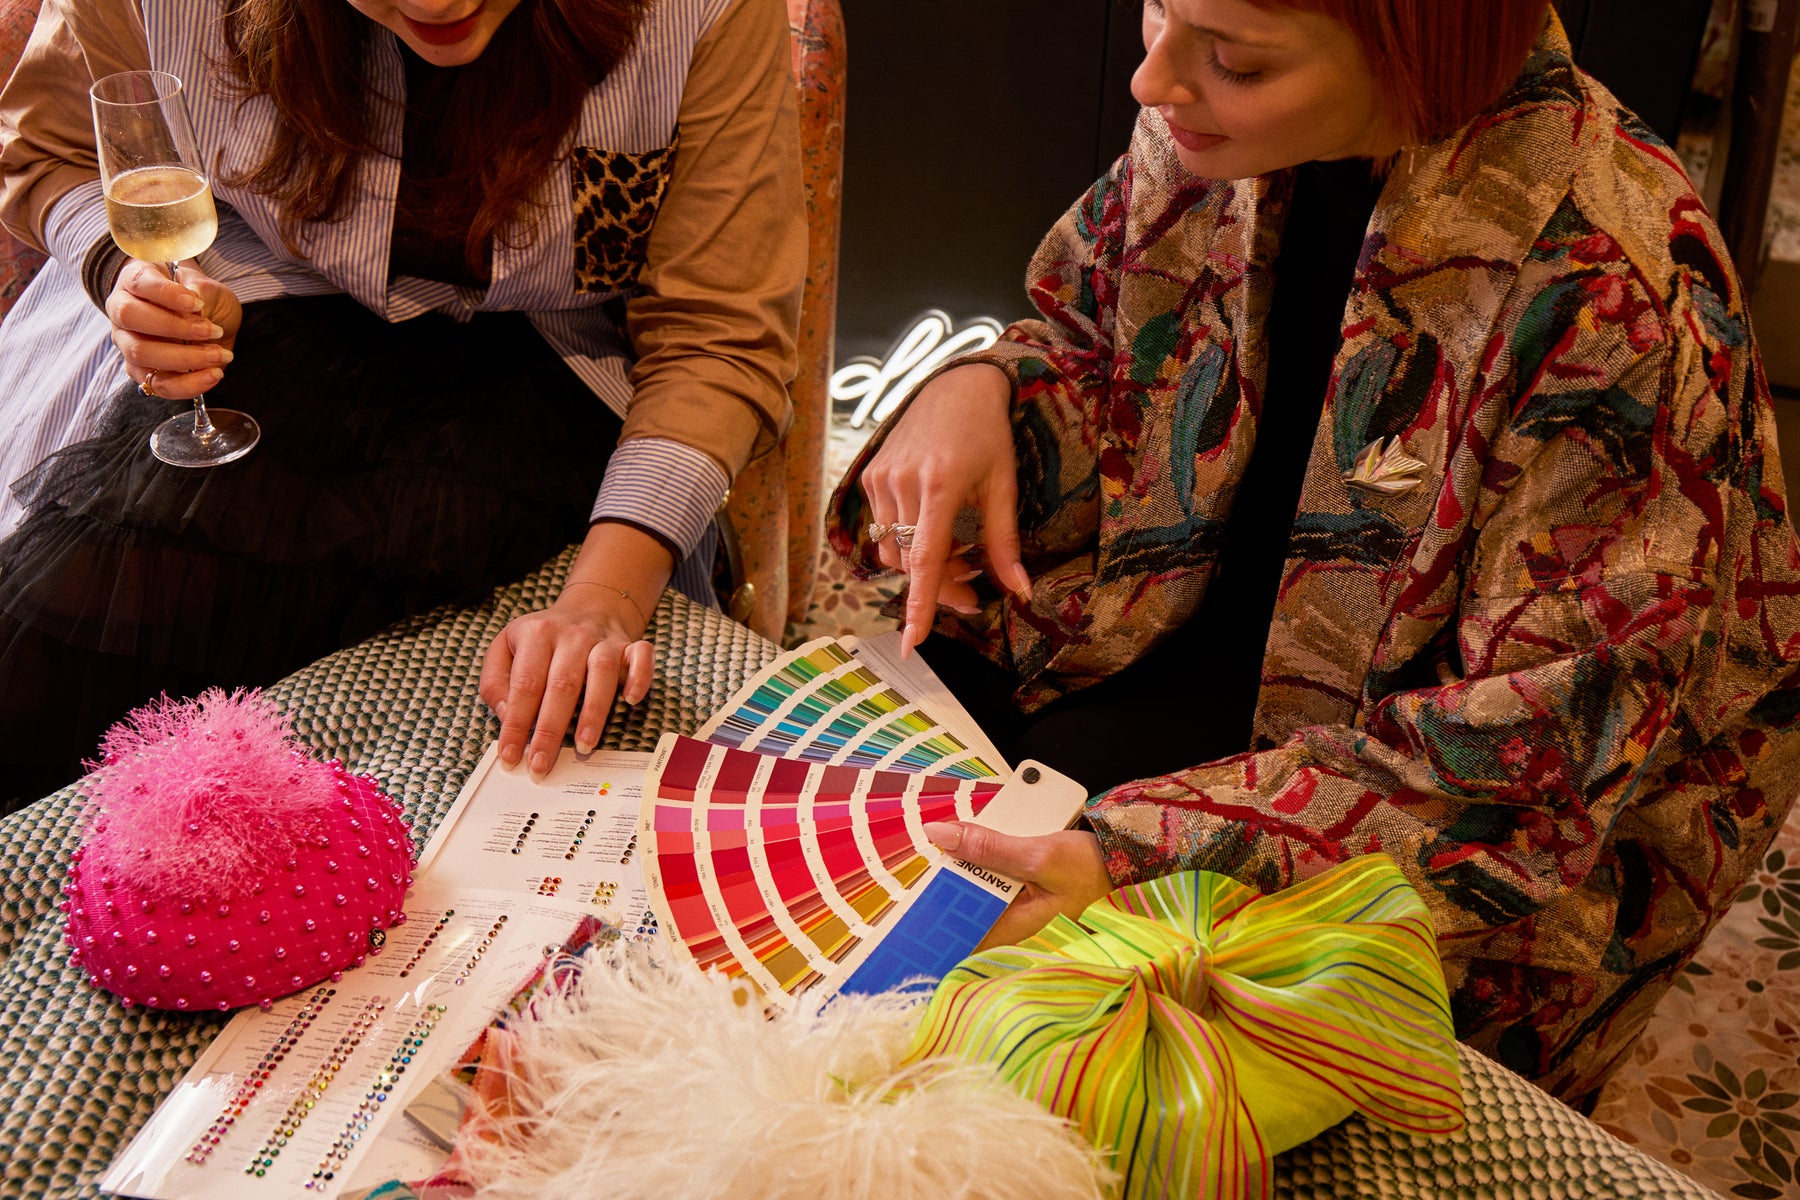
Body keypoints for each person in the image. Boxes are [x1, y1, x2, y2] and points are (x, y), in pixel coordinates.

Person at [830, 0, 1800, 1107]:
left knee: (1037, 1059)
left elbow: (1535, 765)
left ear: (1417, 43)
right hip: (1185, 629)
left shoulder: (1615, 292)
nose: (1153, 82)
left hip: (1467, 810)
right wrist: (982, 386)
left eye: (1236, 60)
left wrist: (1140, 855)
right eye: (1157, 8)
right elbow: (1101, 339)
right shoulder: (1209, 122)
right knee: (870, 796)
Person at [0, 0, 804, 802]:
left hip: (553, 367)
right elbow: (51, 150)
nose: (436, 4)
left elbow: (716, 330)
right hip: (265, 307)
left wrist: (603, 602)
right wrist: (124, 271)